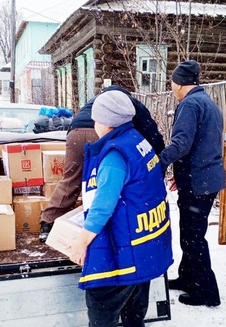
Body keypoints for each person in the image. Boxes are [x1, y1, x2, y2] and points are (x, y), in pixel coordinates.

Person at [61, 90, 173, 327]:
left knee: (102, 299)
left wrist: (83, 240)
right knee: (135, 297)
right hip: (144, 241)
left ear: (107, 123)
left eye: (96, 119)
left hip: (126, 242)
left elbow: (104, 204)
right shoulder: (138, 141)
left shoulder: (114, 155)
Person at [39, 85, 165, 242]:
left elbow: (75, 122)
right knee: (101, 184)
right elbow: (151, 133)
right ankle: (95, 231)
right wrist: (158, 162)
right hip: (99, 132)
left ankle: (48, 222)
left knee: (70, 180)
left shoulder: (97, 101)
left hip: (75, 133)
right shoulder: (127, 104)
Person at [159, 60, 226, 308]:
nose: (172, 88)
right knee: (191, 233)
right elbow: (203, 144)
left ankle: (207, 291)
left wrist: (159, 163)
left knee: (193, 237)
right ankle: (189, 278)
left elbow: (181, 144)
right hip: (204, 177)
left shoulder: (190, 104)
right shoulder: (207, 102)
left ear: (179, 83)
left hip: (199, 181)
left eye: (172, 83)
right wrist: (181, 172)